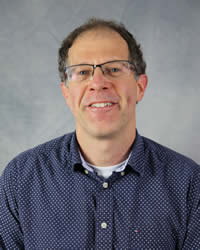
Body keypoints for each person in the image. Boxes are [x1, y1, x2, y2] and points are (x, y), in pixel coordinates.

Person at [0, 18, 200, 249]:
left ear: (140, 87)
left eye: (114, 69)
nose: (98, 83)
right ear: (66, 93)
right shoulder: (21, 179)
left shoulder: (189, 184)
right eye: (83, 72)